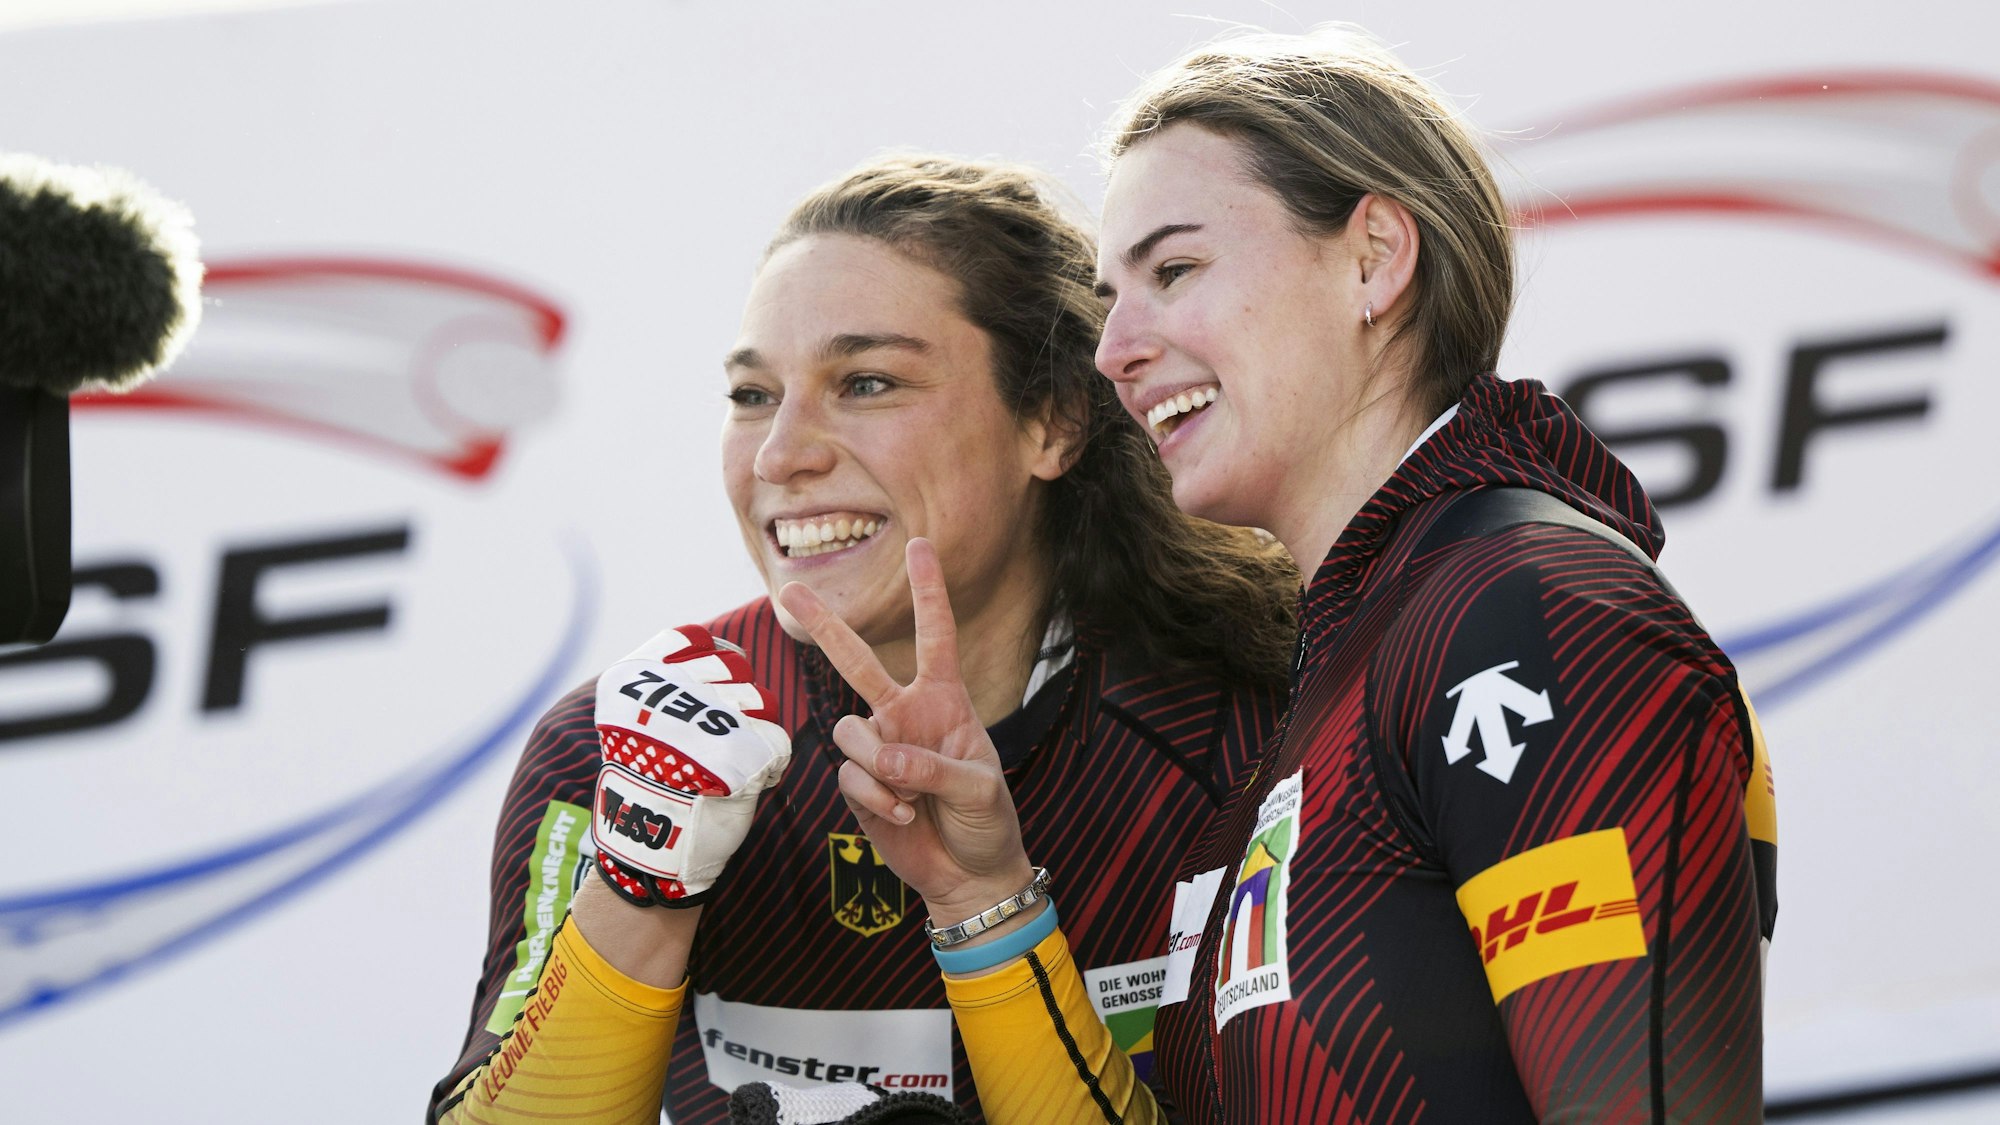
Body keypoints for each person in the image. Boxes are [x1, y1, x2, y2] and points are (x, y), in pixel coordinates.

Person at [785, 28, 1781, 1124]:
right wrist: (980, 894)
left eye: (1172, 271)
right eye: (1111, 300)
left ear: (1372, 259)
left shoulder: (1528, 616)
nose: (1114, 349)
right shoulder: (1356, 648)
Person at [426, 154, 1299, 1123]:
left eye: (867, 381)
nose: (781, 454)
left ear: (1049, 420)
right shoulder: (611, 748)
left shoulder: (1248, 729)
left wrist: (986, 908)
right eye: (753, 395)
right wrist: (638, 886)